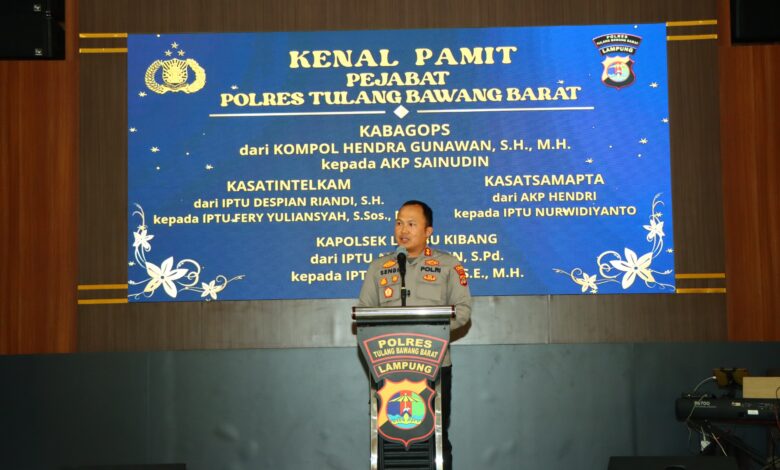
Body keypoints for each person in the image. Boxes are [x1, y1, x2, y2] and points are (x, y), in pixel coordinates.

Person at [357, 200, 471, 470]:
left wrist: (429, 333)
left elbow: (463, 311)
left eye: (411, 224)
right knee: (388, 438)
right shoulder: (379, 267)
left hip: (434, 366)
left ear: (428, 231)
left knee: (435, 438)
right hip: (388, 368)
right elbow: (363, 314)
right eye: (399, 223)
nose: (403, 230)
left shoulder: (448, 265)